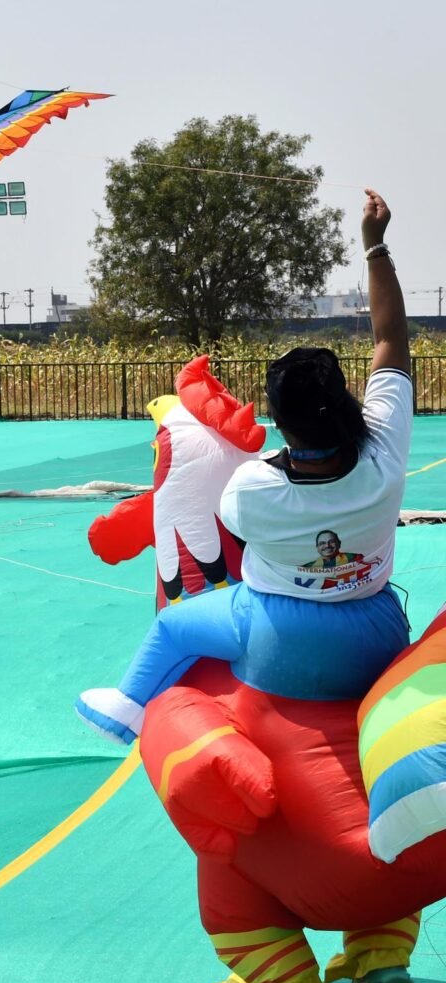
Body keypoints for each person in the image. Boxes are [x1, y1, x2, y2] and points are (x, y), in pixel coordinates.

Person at [77, 187, 412, 734]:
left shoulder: (251, 487)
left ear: (280, 423)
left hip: (276, 642)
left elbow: (223, 530)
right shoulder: (386, 451)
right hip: (373, 635)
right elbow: (391, 338)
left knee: (173, 628)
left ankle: (128, 710)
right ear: (349, 400)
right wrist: (375, 246)